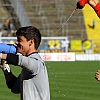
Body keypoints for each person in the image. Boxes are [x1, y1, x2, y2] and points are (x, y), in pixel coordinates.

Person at [0, 26, 50, 100]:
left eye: (19, 40)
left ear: (31, 42)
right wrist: (6, 69)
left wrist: (1, 55)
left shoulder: (37, 62)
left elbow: (28, 63)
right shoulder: (27, 67)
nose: (16, 43)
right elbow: (15, 88)